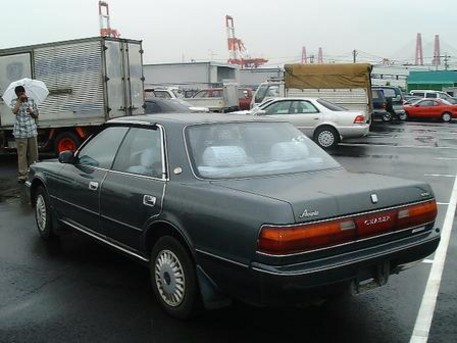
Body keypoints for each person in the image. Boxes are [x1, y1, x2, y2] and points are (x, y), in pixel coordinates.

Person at [9, 85, 39, 183]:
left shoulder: (31, 100)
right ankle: (23, 175)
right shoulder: (14, 102)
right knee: (22, 155)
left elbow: (36, 115)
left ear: (25, 92)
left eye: (23, 93)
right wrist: (19, 101)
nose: (22, 95)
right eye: (20, 94)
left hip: (31, 131)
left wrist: (31, 112)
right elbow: (14, 111)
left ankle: (34, 173)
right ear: (17, 94)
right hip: (20, 133)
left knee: (34, 154)